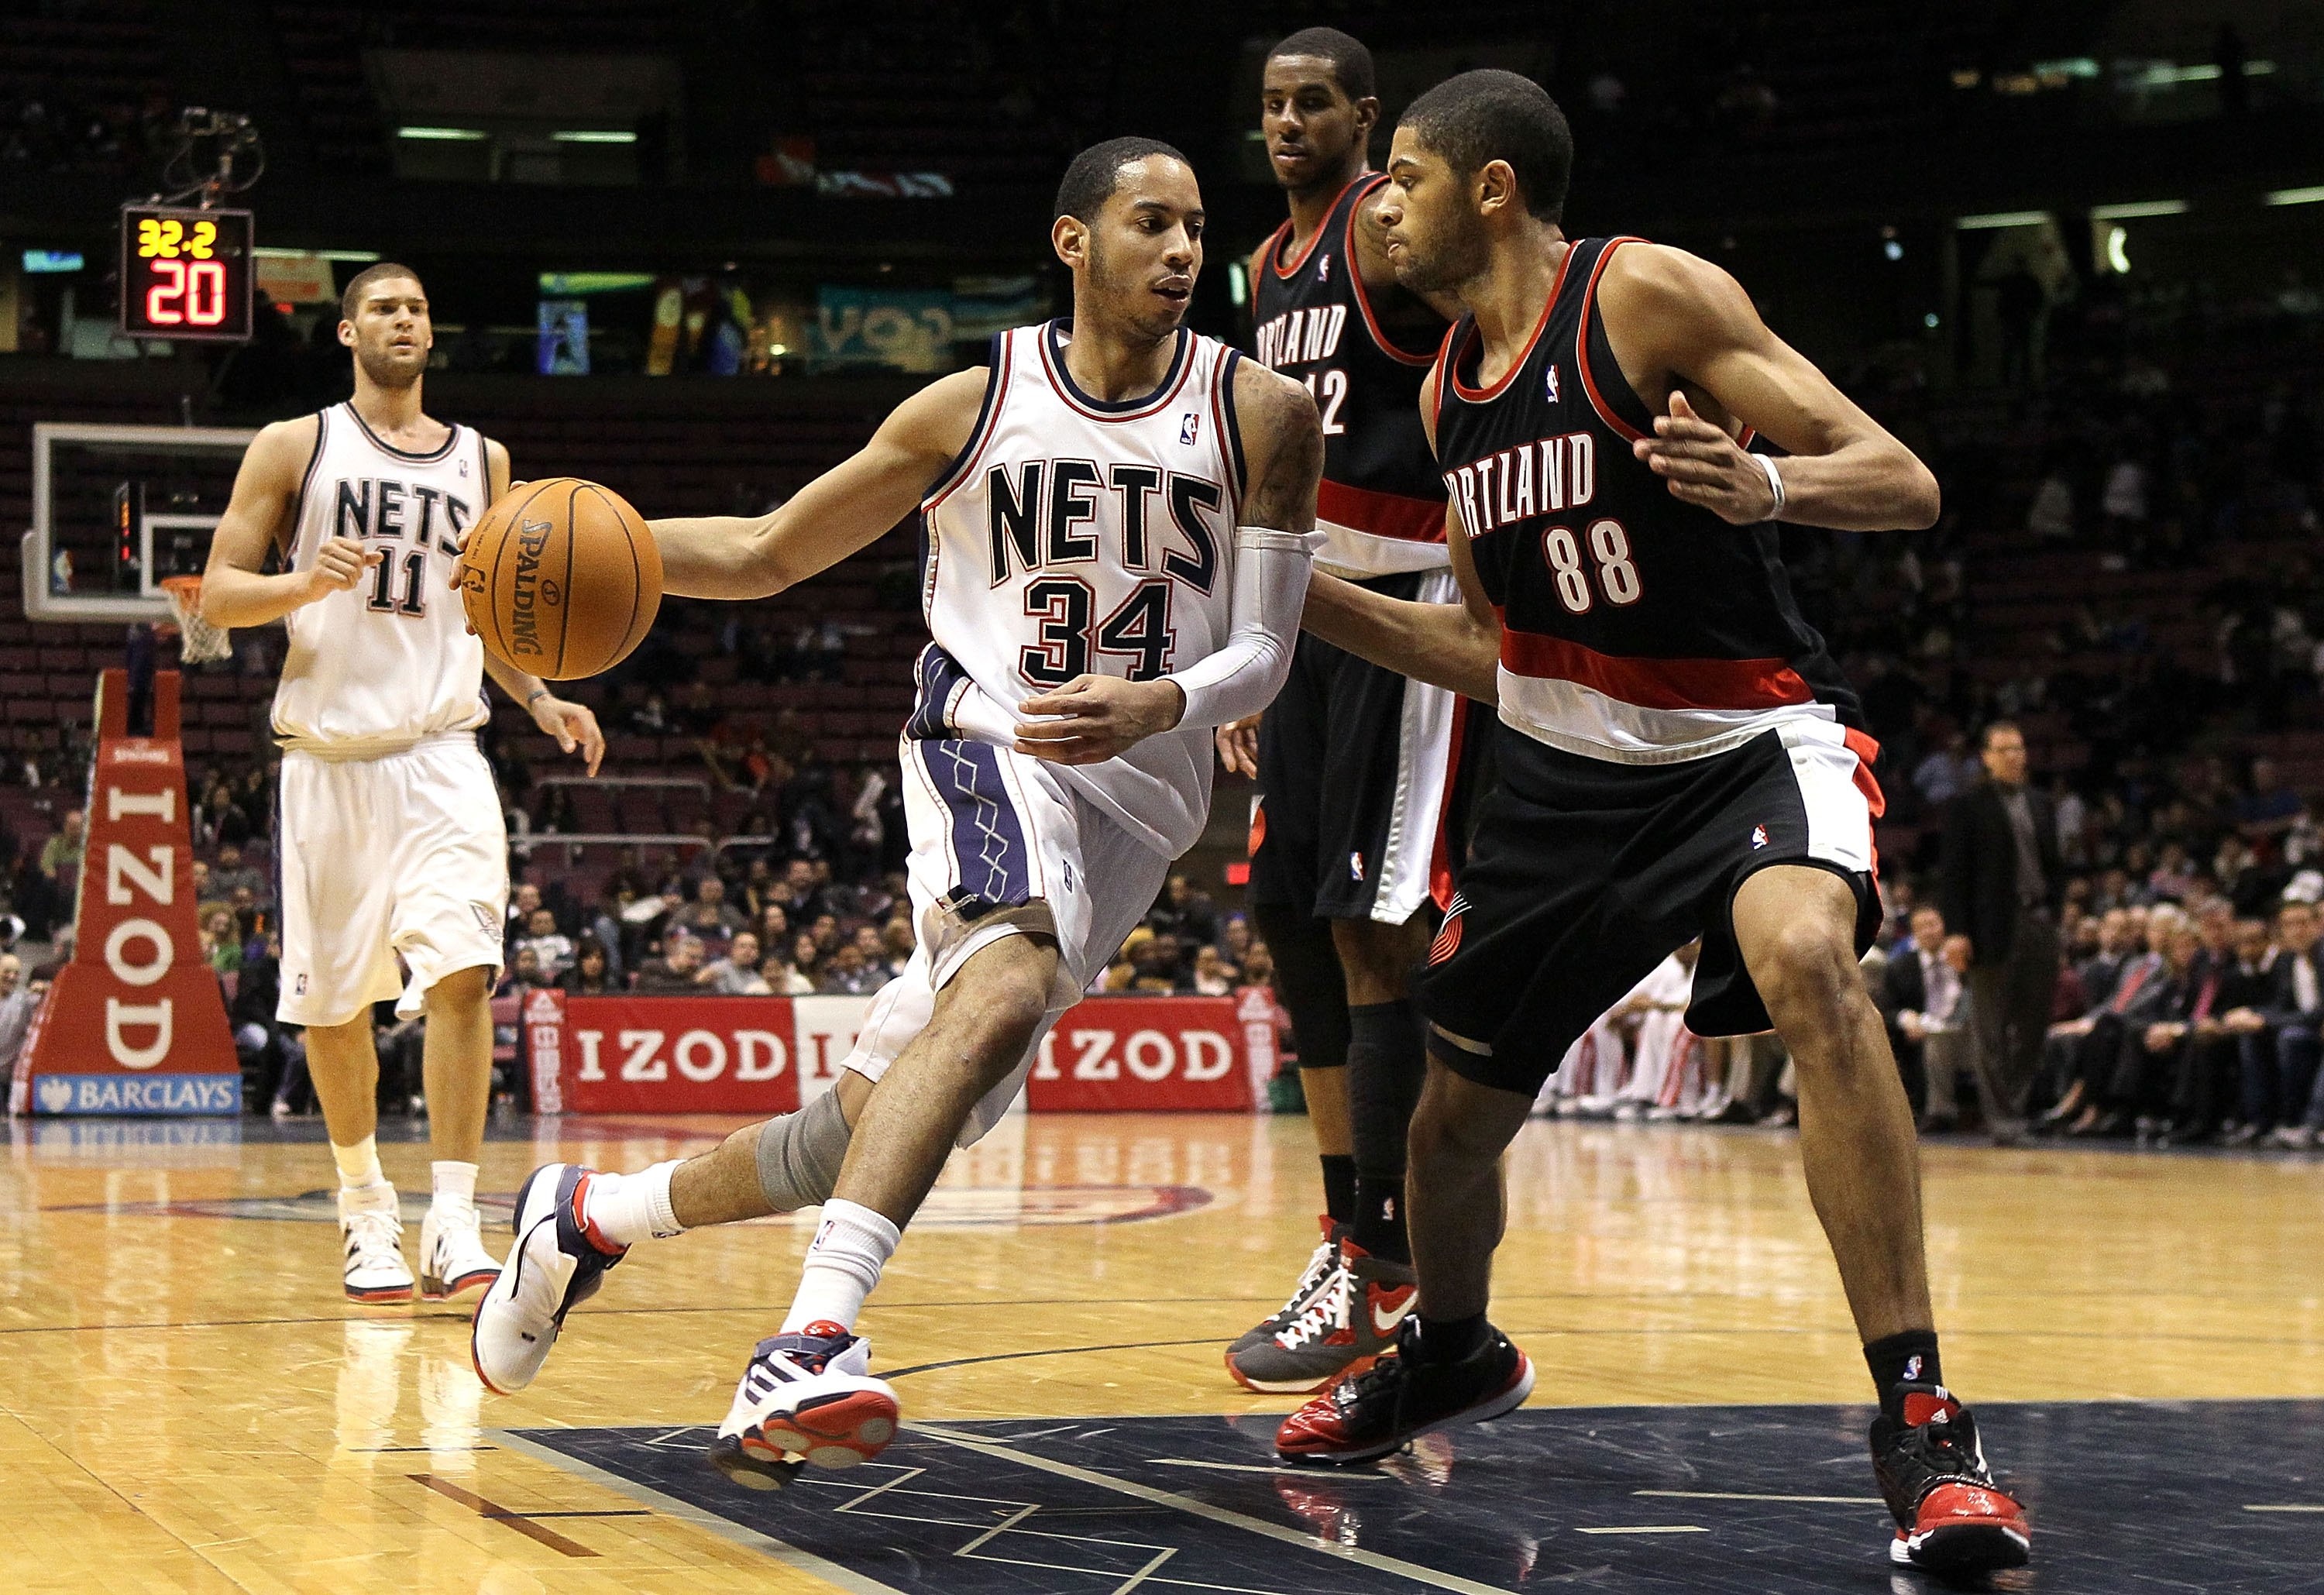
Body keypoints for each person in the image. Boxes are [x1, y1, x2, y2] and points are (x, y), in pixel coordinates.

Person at [471, 135, 1322, 1490]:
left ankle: (587, 1216)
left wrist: (1158, 703)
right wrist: (596, 534)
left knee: (848, 1132)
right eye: (1150, 223)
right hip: (983, 740)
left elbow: (1270, 652)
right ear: (1073, 242)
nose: (1179, 251)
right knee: (1002, 985)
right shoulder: (969, 408)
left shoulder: (1264, 412)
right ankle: (809, 1342)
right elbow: (766, 552)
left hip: (1137, 801)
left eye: (1194, 228)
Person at [1275, 72, 2028, 1578]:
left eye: (1406, 176)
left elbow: (1905, 480)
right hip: (1561, 777)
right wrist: (1299, 601)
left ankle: (1924, 1424)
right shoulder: (1443, 397)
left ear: (1491, 189)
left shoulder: (1647, 297)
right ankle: (1456, 1347)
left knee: (1813, 959)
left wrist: (1766, 486)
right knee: (1450, 1126)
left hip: (1737, 743)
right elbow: (1498, 654)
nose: (1383, 203)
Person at [200, 261, 605, 1305]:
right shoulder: (295, 444)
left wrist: (542, 697)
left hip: (441, 751)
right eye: (384, 307)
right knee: (336, 1005)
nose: (405, 320)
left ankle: (457, 1221)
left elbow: (495, 605)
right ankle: (366, 1211)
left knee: (466, 968)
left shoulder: (486, 459)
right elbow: (211, 601)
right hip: (330, 759)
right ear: (347, 333)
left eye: (420, 307)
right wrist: (301, 580)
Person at [1216, 26, 1457, 1395]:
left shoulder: (1385, 231)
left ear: (1366, 117)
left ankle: (1391, 1256)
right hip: (1304, 619)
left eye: (1314, 103)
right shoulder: (1265, 264)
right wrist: (1252, 640)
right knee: (1294, 923)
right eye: (1273, 105)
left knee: (1379, 930)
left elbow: (1510, 318)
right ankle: (1342, 1234)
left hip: (1408, 607)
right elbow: (1264, 468)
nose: (1289, 122)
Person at [1939, 722, 2063, 1140]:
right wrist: (1956, 931)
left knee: (2033, 1026)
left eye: (2019, 748)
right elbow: (1953, 875)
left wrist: (2058, 915)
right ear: (1987, 757)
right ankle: (2003, 1120)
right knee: (1990, 1029)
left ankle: (2017, 1108)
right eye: (2004, 749)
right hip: (1991, 928)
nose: (2013, 756)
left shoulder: (2042, 803)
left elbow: (2054, 866)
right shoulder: (1967, 805)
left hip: (2040, 922)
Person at [700, 930, 772, 995]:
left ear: (757, 954)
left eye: (753, 947)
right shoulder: (718, 968)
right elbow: (698, 982)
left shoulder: (758, 979)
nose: (748, 951)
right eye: (743, 946)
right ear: (733, 950)